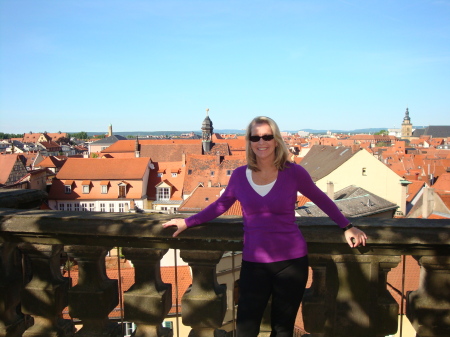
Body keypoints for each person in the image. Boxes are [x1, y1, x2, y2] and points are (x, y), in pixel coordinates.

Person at [162, 116, 367, 337]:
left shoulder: (294, 172)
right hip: (254, 263)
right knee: (245, 329)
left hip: (291, 262)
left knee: (282, 329)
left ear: (276, 140)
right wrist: (187, 221)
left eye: (267, 136)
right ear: (249, 141)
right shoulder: (240, 176)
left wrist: (347, 226)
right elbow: (220, 206)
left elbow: (322, 199)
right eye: (256, 137)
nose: (262, 142)